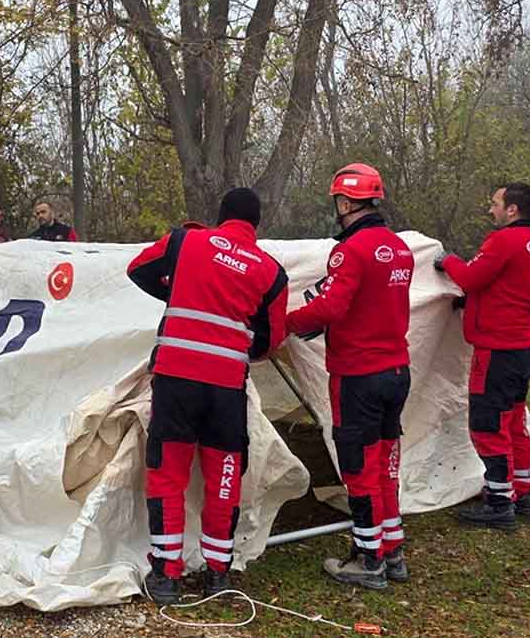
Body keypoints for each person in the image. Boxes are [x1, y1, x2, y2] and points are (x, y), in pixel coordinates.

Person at [127, 187, 288, 604]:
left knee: (168, 472)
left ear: (220, 216)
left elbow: (137, 269)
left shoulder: (185, 241)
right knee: (224, 476)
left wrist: (177, 291)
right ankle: (218, 574)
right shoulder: (271, 272)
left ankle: (166, 575)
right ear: (256, 225)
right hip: (226, 388)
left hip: (176, 379)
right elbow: (271, 339)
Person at [285, 163, 414, 590]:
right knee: (385, 465)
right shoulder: (399, 248)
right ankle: (392, 551)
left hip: (358, 374)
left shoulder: (350, 251)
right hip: (396, 370)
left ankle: (368, 560)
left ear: (344, 202)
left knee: (359, 467)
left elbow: (332, 306)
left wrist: (288, 322)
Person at [434, 182, 530, 529]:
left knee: (488, 424)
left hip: (498, 350)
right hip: (524, 346)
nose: (491, 209)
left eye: (495, 203)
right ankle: (521, 491)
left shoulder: (504, 240)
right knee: (513, 422)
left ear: (512, 209)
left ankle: (498, 502)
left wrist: (447, 261)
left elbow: (470, 277)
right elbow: (505, 289)